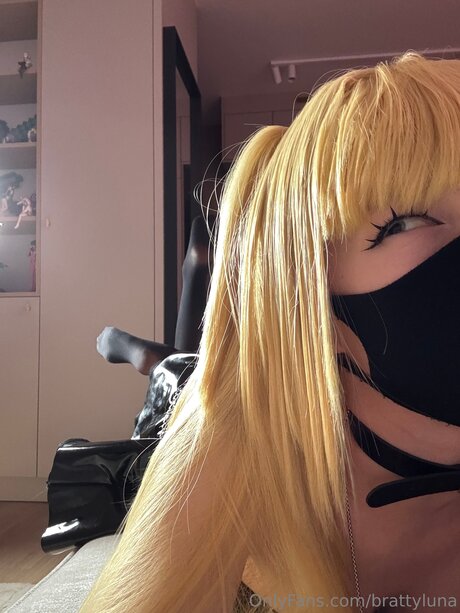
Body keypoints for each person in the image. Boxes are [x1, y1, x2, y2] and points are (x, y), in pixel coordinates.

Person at [78, 52, 460, 613]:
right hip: (204, 389)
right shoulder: (234, 436)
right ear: (308, 288)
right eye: (403, 222)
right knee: (173, 371)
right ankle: (125, 342)